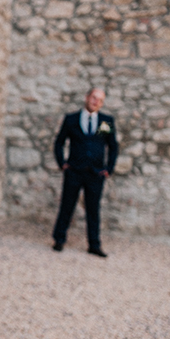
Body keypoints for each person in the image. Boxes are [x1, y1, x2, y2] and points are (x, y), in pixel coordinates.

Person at [52, 87, 118, 257]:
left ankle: (94, 244)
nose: (96, 102)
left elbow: (113, 146)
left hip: (96, 173)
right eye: (94, 97)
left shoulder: (106, 121)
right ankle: (59, 239)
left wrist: (108, 169)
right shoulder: (71, 119)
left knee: (93, 210)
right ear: (87, 97)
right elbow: (59, 143)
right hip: (74, 171)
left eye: (100, 100)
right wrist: (62, 164)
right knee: (67, 206)